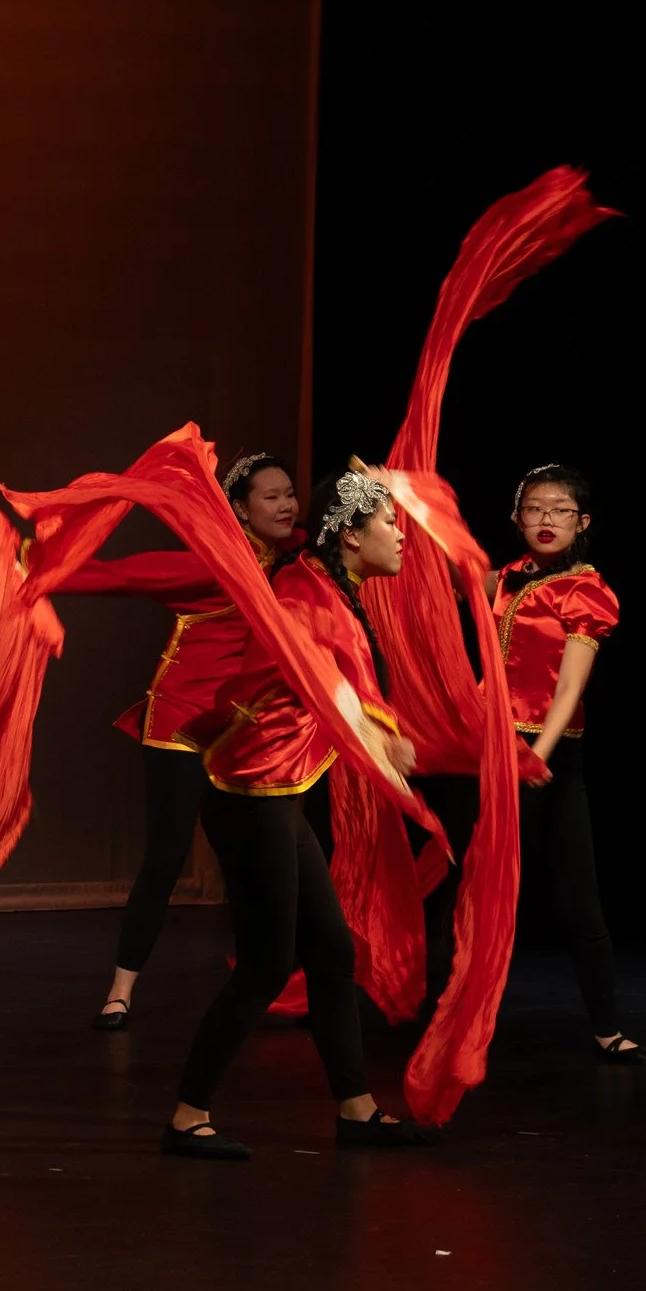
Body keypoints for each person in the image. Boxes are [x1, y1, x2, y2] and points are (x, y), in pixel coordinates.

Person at [162, 471, 435, 1159]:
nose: (401, 536)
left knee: (331, 950)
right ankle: (187, 1117)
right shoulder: (306, 595)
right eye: (388, 524)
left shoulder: (327, 587)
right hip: (253, 791)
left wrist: (378, 734)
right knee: (265, 963)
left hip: (279, 792)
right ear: (351, 534)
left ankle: (356, 1107)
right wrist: (379, 737)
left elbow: (338, 685)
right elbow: (328, 683)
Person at [412, 464, 646, 1063]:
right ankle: (439, 1022)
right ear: (518, 518)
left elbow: (570, 689)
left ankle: (607, 1029)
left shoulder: (588, 591)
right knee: (459, 889)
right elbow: (436, 570)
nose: (546, 521)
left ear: (583, 522)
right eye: (534, 509)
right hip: (481, 747)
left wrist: (536, 758)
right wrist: (410, 501)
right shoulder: (507, 577)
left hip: (545, 755)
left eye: (559, 510)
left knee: (578, 899)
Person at [52, 451, 304, 1030]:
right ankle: (119, 991)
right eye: (271, 497)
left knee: (258, 858)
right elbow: (125, 575)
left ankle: (270, 977)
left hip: (239, 730)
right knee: (166, 859)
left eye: (289, 493)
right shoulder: (214, 565)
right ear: (239, 511)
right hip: (182, 726)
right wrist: (35, 567)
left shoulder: (291, 560)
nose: (286, 504)